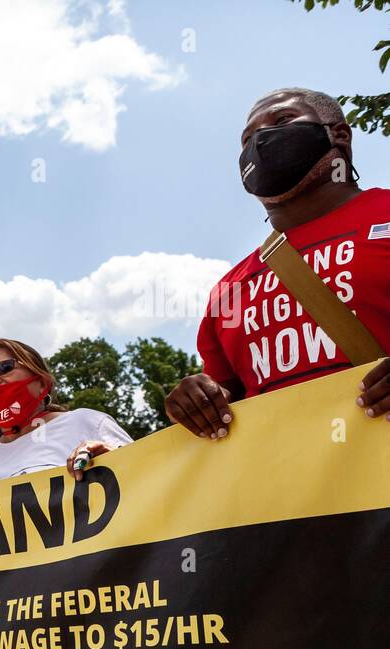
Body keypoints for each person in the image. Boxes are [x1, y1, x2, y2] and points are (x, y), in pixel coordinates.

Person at [166, 87, 390, 437]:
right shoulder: (229, 289)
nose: (260, 141)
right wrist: (198, 403)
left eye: (283, 120)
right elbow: (228, 404)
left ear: (339, 135)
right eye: (247, 139)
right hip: (292, 486)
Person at [0, 338, 133, 488]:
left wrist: (114, 458)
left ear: (42, 383)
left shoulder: (87, 422)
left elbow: (148, 480)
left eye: (4, 367)